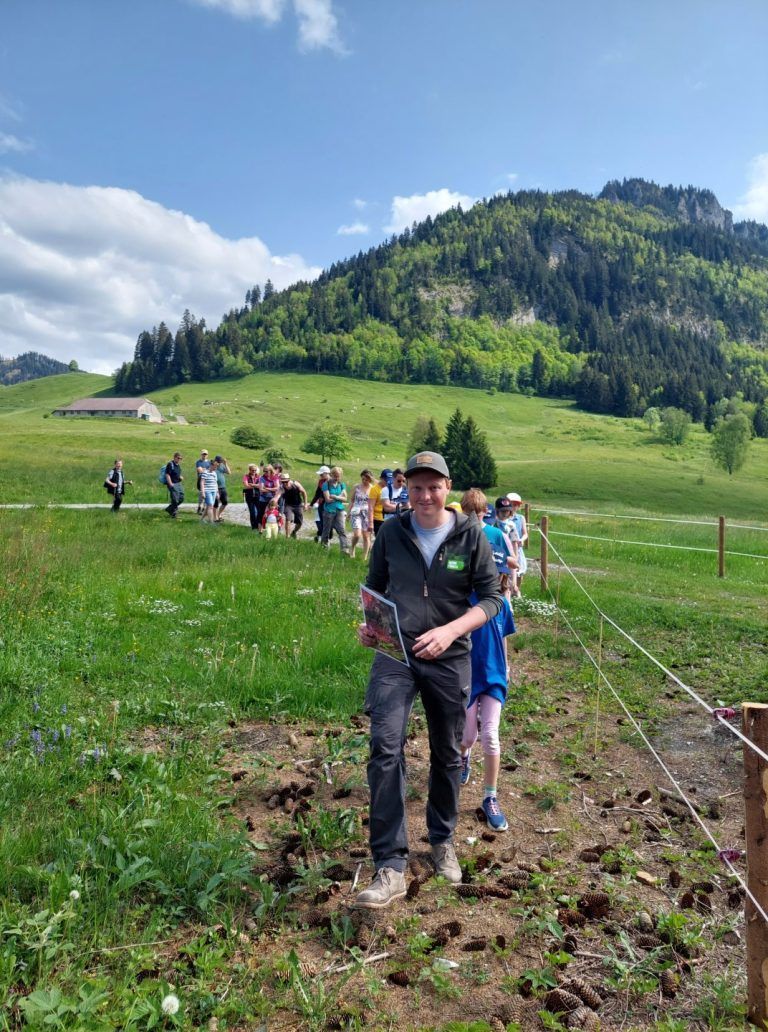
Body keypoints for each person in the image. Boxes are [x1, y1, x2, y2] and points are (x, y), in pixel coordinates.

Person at [354, 451, 503, 909]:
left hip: (449, 657)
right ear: (406, 488)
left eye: (433, 486)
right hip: (395, 656)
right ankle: (391, 864)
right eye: (416, 487)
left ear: (448, 487)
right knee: (384, 747)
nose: (424, 496)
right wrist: (371, 625)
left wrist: (451, 630)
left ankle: (441, 841)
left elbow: (493, 598)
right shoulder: (391, 533)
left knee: (447, 751)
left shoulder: (471, 535)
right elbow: (374, 585)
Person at [458, 490, 517, 833]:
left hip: (494, 674)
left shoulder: (502, 605)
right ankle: (463, 757)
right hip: (466, 674)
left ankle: (490, 796)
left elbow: (504, 640)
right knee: (467, 736)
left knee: (491, 735)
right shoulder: (462, 600)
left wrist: (506, 668)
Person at [494, 497, 522, 598]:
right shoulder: (493, 524)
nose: (505, 513)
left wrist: (515, 560)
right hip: (496, 556)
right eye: (503, 511)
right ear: (497, 511)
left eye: (507, 511)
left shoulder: (511, 526)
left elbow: (514, 544)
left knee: (507, 585)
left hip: (508, 557)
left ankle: (508, 607)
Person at [321, 466, 349, 552]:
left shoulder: (341, 485)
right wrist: (340, 497)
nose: (337, 478)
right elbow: (328, 499)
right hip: (329, 510)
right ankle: (324, 548)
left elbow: (345, 498)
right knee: (326, 530)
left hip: (339, 510)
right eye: (335, 476)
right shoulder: (326, 484)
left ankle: (344, 550)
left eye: (338, 476)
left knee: (342, 530)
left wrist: (336, 496)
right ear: (331, 475)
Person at [348, 469, 374, 559]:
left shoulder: (373, 488)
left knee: (366, 536)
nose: (364, 481)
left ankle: (364, 557)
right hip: (356, 512)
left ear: (370, 479)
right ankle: (352, 548)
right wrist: (348, 513)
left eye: (366, 479)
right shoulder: (357, 487)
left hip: (367, 513)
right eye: (363, 479)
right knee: (357, 534)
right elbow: (352, 500)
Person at [506, 493, 529, 595]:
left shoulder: (520, 518)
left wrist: (522, 539)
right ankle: (508, 589)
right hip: (507, 548)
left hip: (518, 548)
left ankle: (517, 589)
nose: (514, 507)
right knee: (508, 570)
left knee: (520, 569)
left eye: (516, 505)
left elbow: (525, 533)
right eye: (512, 504)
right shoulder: (504, 517)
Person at [279, 473, 308, 538]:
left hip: (298, 505)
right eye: (283, 482)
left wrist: (305, 504)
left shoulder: (296, 484)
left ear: (289, 480)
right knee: (288, 519)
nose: (284, 483)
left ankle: (294, 532)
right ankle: (287, 537)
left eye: (286, 481)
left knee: (300, 523)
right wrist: (273, 502)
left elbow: (304, 492)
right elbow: (277, 495)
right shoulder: (281, 487)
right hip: (288, 505)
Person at [256, 464, 280, 532]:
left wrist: (267, 488)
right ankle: (260, 531)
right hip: (263, 499)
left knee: (273, 514)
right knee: (261, 515)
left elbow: (277, 488)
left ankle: (273, 530)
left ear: (270, 470)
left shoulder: (275, 477)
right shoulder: (262, 478)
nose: (265, 473)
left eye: (266, 471)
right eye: (264, 471)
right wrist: (272, 489)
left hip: (272, 499)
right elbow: (261, 489)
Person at [310, 466, 331, 541]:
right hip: (321, 504)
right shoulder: (321, 482)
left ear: (327, 473)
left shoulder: (332, 481)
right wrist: (311, 504)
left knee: (329, 523)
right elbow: (317, 493)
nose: (320, 476)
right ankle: (323, 539)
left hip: (330, 505)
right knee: (322, 521)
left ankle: (324, 536)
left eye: (321, 474)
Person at [199, 459, 220, 524]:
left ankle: (201, 519)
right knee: (210, 505)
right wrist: (203, 492)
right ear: (211, 465)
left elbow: (215, 483)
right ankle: (211, 522)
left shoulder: (214, 473)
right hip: (207, 491)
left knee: (209, 506)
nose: (216, 468)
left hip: (214, 491)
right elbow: (202, 483)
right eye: (215, 466)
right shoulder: (205, 472)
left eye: (217, 466)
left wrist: (217, 492)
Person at [164, 452, 184, 518]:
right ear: (174, 457)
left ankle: (169, 508)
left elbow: (176, 474)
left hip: (178, 483)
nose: (179, 460)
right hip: (173, 484)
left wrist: (180, 477)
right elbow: (167, 474)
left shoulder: (178, 465)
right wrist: (170, 484)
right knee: (175, 499)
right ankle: (174, 513)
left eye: (180, 458)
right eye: (178, 458)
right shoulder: (170, 464)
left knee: (181, 498)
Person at [212, 455, 231, 522]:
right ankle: (215, 518)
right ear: (215, 460)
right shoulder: (213, 466)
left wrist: (225, 464)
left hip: (222, 487)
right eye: (218, 461)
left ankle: (219, 514)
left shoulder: (222, 466)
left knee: (225, 502)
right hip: (215, 487)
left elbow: (229, 472)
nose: (219, 463)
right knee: (216, 503)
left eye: (220, 461)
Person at [242, 464, 260, 530]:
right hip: (249, 497)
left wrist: (252, 485)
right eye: (253, 470)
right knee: (252, 512)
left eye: (255, 470)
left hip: (258, 496)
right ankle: (254, 527)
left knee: (258, 511)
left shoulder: (258, 476)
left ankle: (258, 525)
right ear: (249, 470)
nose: (254, 472)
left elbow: (261, 485)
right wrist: (256, 485)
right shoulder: (246, 476)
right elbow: (246, 486)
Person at [195, 450, 211, 515]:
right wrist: (206, 470)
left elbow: (210, 470)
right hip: (200, 479)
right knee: (201, 494)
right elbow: (199, 470)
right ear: (201, 454)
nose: (204, 455)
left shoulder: (209, 462)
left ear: (207, 455)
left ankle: (204, 508)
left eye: (205, 454)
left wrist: (204, 469)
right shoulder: (198, 462)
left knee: (206, 493)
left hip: (207, 480)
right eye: (203, 454)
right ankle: (199, 506)